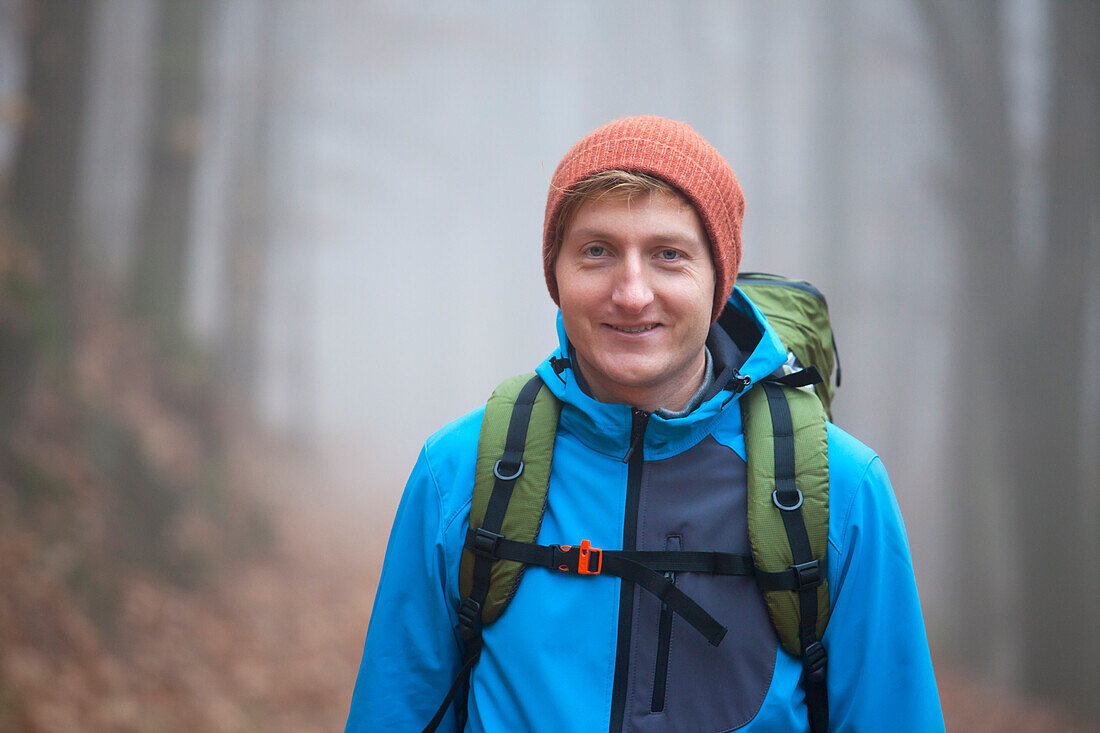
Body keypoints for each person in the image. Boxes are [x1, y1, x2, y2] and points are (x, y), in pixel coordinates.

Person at [345, 116, 944, 732]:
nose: (632, 293)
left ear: (719, 279)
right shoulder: (460, 471)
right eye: (597, 251)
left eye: (668, 255)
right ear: (556, 276)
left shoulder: (841, 489)